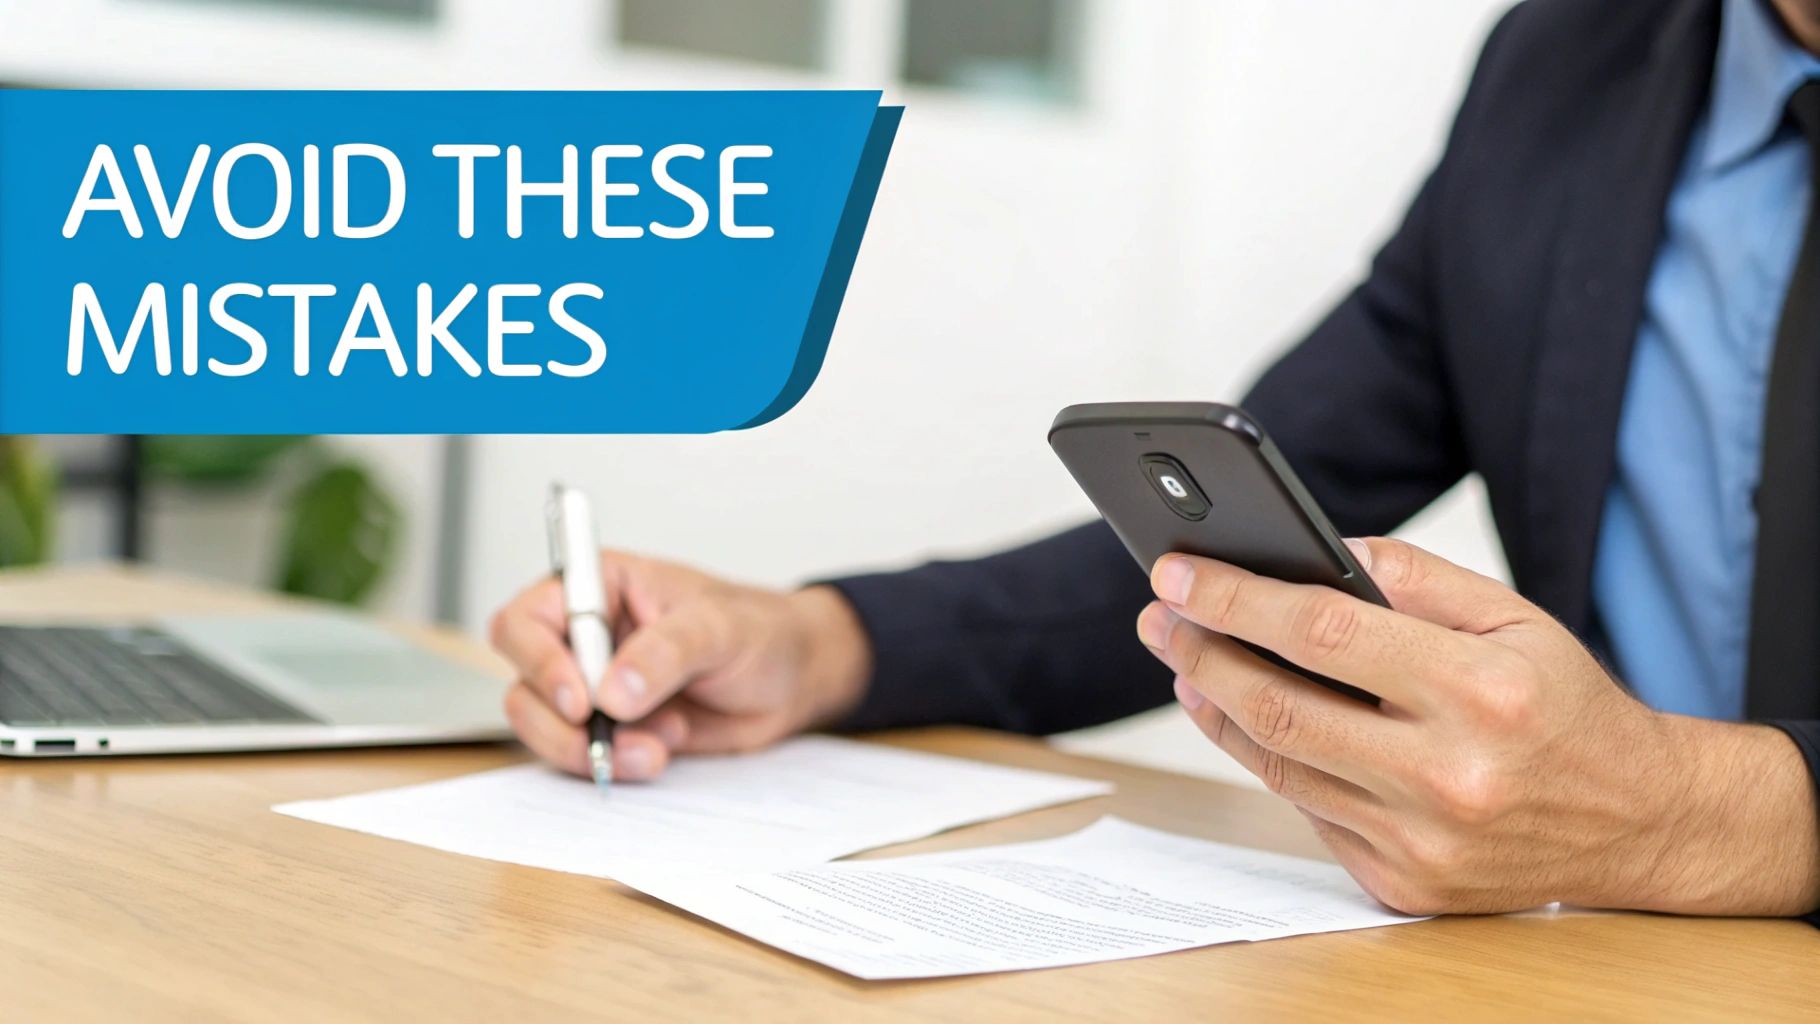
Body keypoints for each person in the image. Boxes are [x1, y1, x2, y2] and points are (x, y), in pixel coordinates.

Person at [490, 0, 1820, 921]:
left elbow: (1671, 811)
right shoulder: (1568, 65)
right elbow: (1250, 528)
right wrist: (823, 644)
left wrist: (1702, 814)